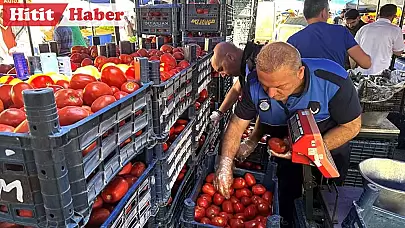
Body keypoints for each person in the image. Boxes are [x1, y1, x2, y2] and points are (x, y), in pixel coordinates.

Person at [214, 42, 362, 227]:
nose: (271, 93)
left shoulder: (332, 79)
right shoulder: (252, 84)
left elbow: (351, 126)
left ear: (300, 73)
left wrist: (308, 150)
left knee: (326, 203)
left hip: (328, 145)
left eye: (279, 86)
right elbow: (237, 125)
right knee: (286, 198)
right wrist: (225, 163)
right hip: (283, 145)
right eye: (264, 85)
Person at [287, 0, 371, 69]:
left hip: (308, 88)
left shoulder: (292, 41)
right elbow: (366, 63)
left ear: (305, 15)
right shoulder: (341, 32)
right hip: (338, 87)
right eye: (328, 11)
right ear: (323, 12)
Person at [354, 4, 404, 75]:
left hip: (360, 71)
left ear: (379, 14)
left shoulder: (364, 28)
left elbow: (354, 47)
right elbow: (398, 52)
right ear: (394, 16)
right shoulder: (395, 30)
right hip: (380, 73)